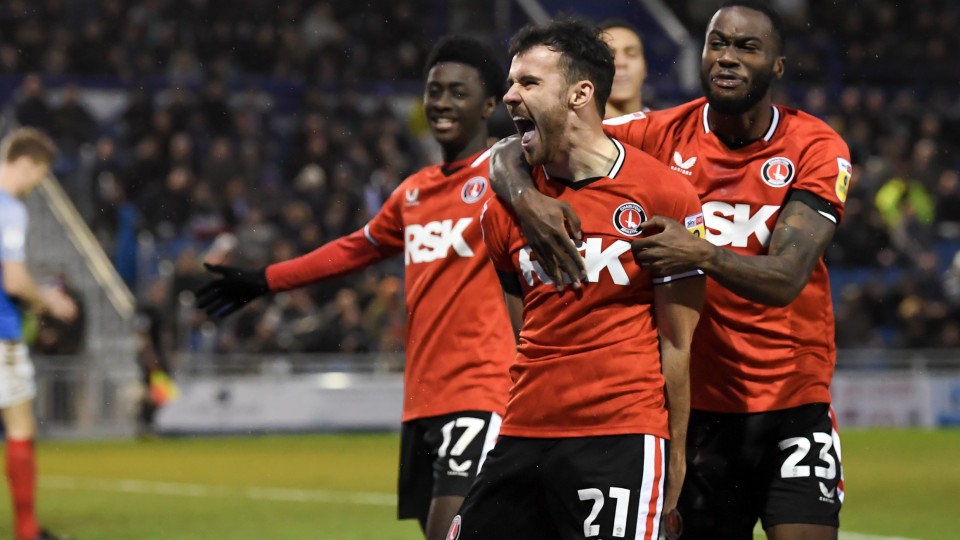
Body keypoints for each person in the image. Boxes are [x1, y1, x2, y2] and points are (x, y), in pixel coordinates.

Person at [489, 2, 851, 539]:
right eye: (716, 44)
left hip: (790, 402)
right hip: (697, 408)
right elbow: (520, 143)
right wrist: (525, 198)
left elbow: (787, 277)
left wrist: (701, 252)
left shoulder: (815, 147)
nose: (726, 58)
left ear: (777, 65)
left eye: (746, 48)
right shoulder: (659, 132)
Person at [195, 37, 514, 540]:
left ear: (489, 105)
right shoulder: (414, 191)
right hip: (424, 396)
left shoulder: (506, 172)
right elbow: (352, 249)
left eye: (458, 92)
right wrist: (266, 279)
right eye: (434, 91)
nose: (442, 103)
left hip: (483, 387)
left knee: (448, 532)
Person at [451, 20, 704, 540]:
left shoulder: (665, 196)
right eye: (510, 83)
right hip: (522, 431)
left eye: (528, 83)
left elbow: (677, 343)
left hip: (620, 436)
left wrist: (676, 457)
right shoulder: (505, 211)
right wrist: (522, 200)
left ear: (580, 93)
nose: (509, 95)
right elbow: (526, 329)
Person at [0, 127, 78, 540]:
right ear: (26, 162)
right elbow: (14, 281)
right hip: (1, 333)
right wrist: (48, 300)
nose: (38, 184)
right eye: (40, 175)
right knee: (19, 427)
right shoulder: (9, 209)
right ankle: (27, 532)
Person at [601, 19, 649, 117]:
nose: (620, 63)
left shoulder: (669, 129)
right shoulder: (571, 131)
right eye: (608, 55)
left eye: (632, 54)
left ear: (645, 67)